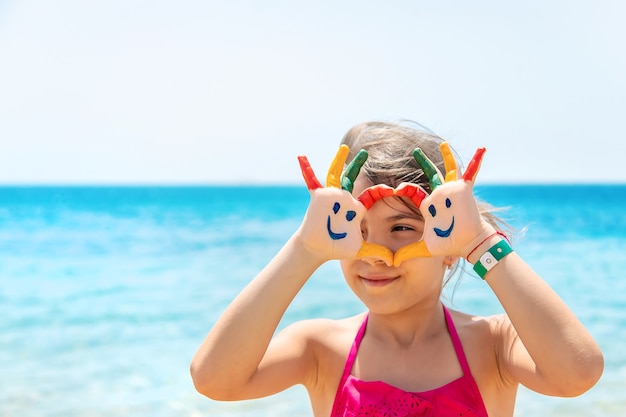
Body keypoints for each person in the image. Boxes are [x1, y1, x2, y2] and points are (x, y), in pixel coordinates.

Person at [190, 120, 604, 416]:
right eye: (357, 227)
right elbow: (214, 380)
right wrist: (303, 250)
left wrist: (481, 244)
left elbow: (577, 374)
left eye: (402, 227)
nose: (376, 251)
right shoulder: (320, 348)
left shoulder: (494, 344)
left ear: (450, 245)